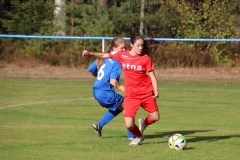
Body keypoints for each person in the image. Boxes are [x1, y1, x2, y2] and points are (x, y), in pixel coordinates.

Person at [82, 34, 160, 146]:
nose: (141, 48)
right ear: (132, 45)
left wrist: (156, 91)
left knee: (155, 117)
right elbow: (104, 56)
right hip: (129, 95)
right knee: (128, 122)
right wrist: (90, 53)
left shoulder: (145, 58)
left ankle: (142, 124)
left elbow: (152, 76)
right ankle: (136, 136)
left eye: (142, 45)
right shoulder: (122, 56)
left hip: (145, 93)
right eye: (138, 45)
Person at [87, 37, 136, 140]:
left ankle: (99, 125)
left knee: (120, 107)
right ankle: (132, 136)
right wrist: (128, 90)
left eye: (124, 48)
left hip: (96, 91)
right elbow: (113, 82)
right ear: (114, 48)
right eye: (121, 48)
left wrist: (101, 80)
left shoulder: (103, 58)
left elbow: (91, 70)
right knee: (128, 106)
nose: (123, 50)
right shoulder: (117, 62)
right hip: (105, 93)